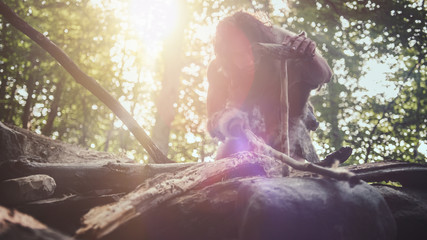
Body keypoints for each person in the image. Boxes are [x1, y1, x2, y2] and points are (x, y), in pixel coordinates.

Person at [207, 11, 332, 161]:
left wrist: (309, 55)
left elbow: (325, 75)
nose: (248, 60)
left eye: (251, 51)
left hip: (289, 124)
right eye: (238, 54)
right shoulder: (218, 69)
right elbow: (213, 117)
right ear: (226, 54)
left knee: (290, 164)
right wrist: (227, 124)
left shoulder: (282, 44)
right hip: (246, 132)